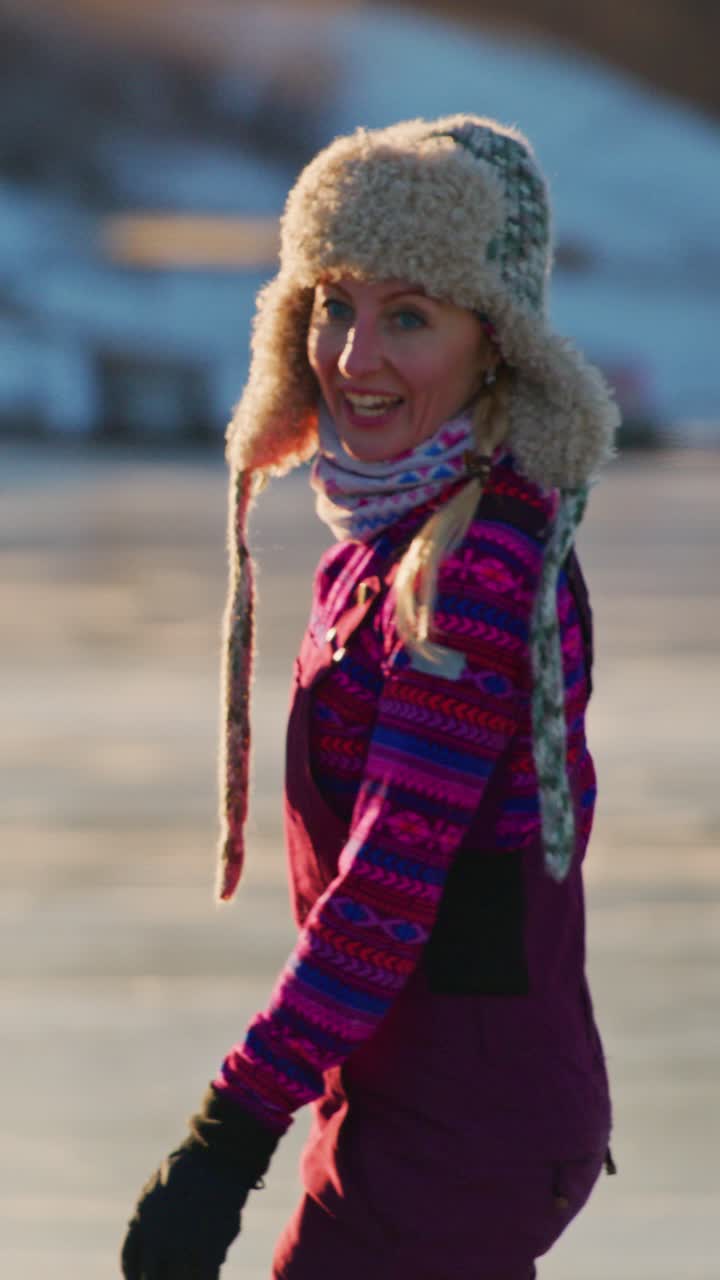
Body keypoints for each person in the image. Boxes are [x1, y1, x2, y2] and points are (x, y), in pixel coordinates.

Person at [121, 113, 619, 1280]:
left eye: (409, 315)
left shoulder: (478, 569)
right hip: (406, 1105)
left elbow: (388, 888)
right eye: (334, 303)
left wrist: (224, 1138)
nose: (354, 355)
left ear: (495, 342)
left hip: (465, 1133)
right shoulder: (393, 532)